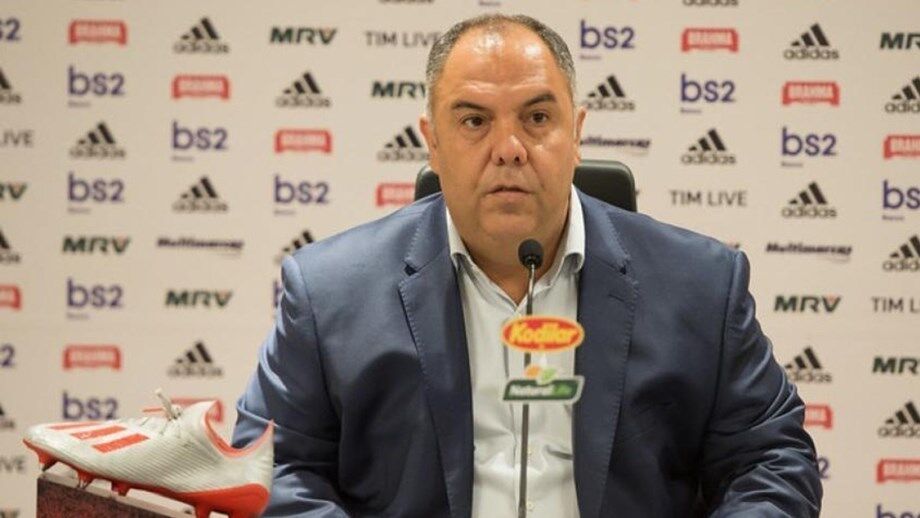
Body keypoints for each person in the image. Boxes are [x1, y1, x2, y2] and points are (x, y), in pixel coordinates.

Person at [233, 14, 822, 517]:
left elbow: (771, 459)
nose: (509, 148)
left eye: (537, 118)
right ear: (431, 142)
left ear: (577, 133)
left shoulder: (701, 284)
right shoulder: (329, 292)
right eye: (474, 121)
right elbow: (274, 466)